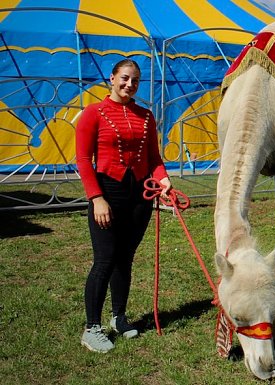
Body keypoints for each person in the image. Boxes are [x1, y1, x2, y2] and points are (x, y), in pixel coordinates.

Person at [76, 59, 172, 353]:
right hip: (108, 192)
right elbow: (82, 160)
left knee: (125, 258)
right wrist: (96, 199)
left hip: (139, 196)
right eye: (125, 78)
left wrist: (164, 180)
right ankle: (92, 328)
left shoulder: (146, 116)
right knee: (104, 259)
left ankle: (118, 317)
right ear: (112, 78)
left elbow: (154, 158)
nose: (129, 85)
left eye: (135, 81)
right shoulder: (93, 113)